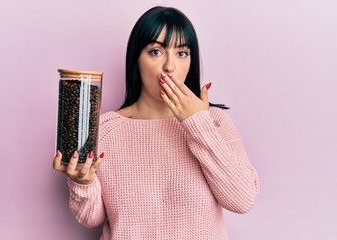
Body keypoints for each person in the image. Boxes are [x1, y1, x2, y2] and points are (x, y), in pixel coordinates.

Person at [53, 6, 259, 239]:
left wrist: (197, 124)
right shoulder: (105, 129)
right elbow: (91, 218)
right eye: (156, 52)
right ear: (136, 59)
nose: (170, 67)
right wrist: (83, 183)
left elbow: (243, 200)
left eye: (182, 53)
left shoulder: (214, 121)